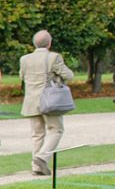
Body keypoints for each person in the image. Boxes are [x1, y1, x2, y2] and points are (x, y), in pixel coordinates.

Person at [19, 30, 74, 175]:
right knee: (56, 129)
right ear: (49, 43)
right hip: (49, 100)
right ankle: (42, 157)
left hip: (31, 100)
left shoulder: (24, 59)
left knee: (37, 134)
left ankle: (36, 167)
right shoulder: (53, 57)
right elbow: (68, 75)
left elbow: (22, 76)